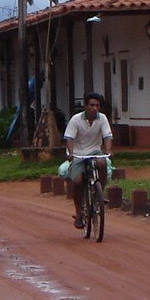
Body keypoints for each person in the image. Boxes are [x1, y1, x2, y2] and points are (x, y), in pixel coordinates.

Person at [64, 92, 113, 229]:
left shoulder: (102, 118)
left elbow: (107, 136)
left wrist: (108, 150)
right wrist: (71, 153)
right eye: (92, 105)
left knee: (102, 163)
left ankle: (99, 193)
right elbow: (69, 138)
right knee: (78, 181)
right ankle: (79, 212)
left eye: (97, 105)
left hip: (95, 151)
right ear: (86, 106)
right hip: (78, 154)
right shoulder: (75, 120)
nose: (95, 108)